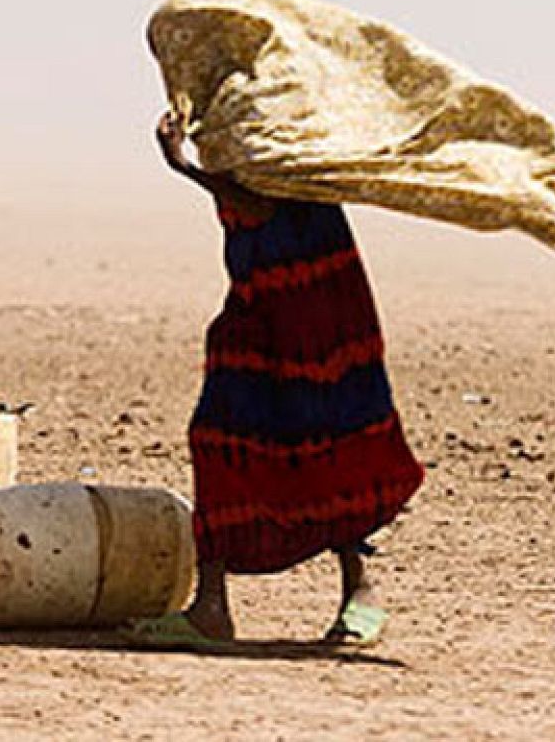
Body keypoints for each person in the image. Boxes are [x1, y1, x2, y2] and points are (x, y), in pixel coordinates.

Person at [128, 109, 424, 647]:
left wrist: (184, 166)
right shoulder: (230, 112)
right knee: (222, 437)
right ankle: (211, 607)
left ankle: (360, 589)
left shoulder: (272, 116)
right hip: (260, 297)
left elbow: (261, 197)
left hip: (315, 302)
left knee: (330, 439)